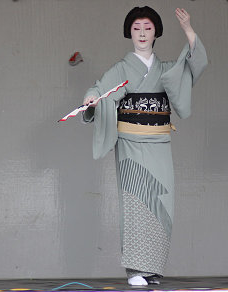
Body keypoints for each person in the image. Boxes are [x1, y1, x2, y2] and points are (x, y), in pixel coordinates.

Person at [82, 7, 207, 286]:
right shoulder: (123, 68)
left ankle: (151, 268)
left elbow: (193, 66)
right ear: (129, 31)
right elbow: (100, 88)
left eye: (147, 27)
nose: (141, 32)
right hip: (131, 143)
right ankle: (135, 270)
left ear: (156, 33)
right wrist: (92, 98)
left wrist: (188, 29)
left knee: (161, 202)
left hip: (160, 141)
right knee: (137, 200)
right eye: (136, 27)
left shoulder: (165, 70)